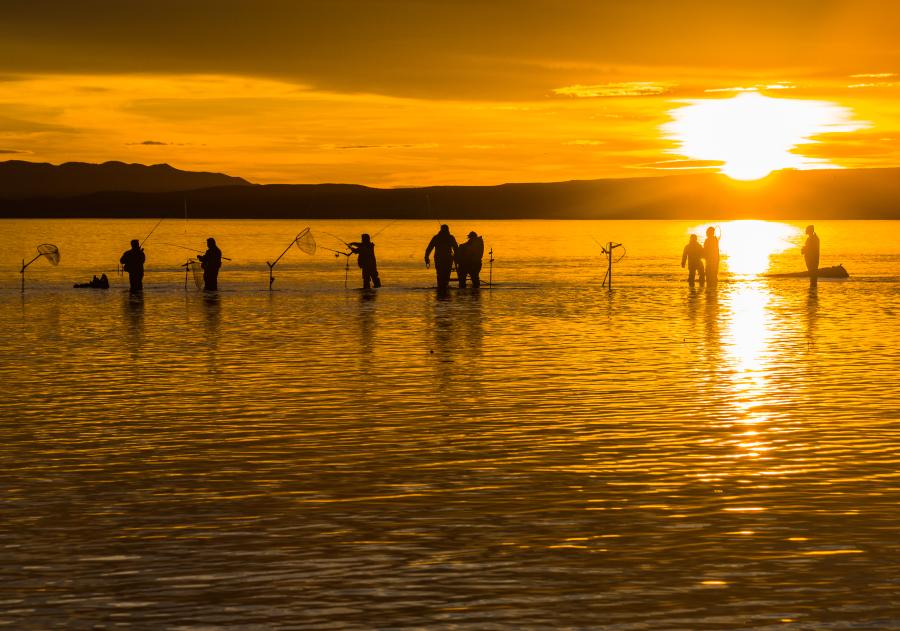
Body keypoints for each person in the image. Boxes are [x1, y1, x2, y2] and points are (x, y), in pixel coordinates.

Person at [424, 224, 458, 291]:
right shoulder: (450, 237)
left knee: (440, 273)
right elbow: (456, 249)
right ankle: (445, 287)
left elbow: (429, 249)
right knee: (446, 273)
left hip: (439, 258)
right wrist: (457, 259)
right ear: (448, 229)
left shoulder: (436, 237)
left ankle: (441, 287)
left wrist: (426, 257)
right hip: (447, 258)